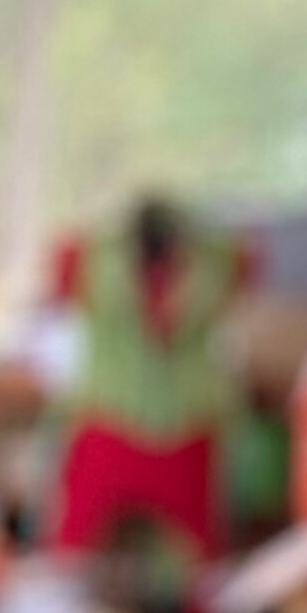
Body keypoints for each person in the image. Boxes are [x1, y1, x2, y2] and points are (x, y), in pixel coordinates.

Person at [45, 189, 252, 576]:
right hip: (109, 426)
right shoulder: (88, 254)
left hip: (189, 430)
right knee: (74, 550)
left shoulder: (220, 258)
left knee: (203, 560)